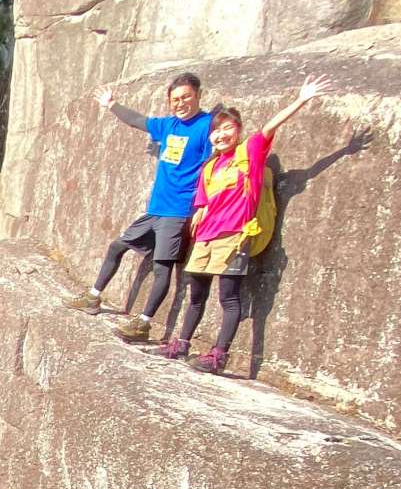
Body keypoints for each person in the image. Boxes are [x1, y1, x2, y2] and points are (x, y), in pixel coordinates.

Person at [159, 75, 327, 372]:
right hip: (206, 238)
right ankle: (181, 343)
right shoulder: (211, 165)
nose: (221, 135)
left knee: (229, 297)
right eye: (216, 131)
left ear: (237, 131)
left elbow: (270, 127)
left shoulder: (247, 153)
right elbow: (203, 199)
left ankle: (218, 355)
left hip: (234, 236)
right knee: (196, 294)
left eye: (227, 128)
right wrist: (199, 212)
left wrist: (301, 99)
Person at [65, 73, 212, 338]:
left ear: (198, 95)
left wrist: (202, 206)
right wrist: (112, 105)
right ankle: (93, 297)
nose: (181, 103)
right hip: (156, 209)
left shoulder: (206, 126)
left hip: (178, 211)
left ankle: (143, 324)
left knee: (161, 268)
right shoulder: (169, 125)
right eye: (175, 99)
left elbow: (212, 166)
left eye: (186, 97)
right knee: (117, 246)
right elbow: (138, 121)